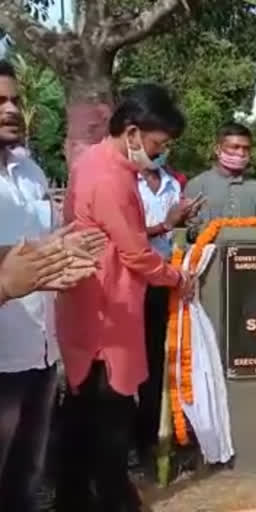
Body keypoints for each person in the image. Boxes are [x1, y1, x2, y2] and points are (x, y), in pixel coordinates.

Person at [55, 84, 196, 512]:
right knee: (110, 422)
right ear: (132, 132)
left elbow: (118, 236)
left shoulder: (97, 162)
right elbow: (134, 254)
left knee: (82, 421)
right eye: (157, 145)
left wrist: (156, 232)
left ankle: (74, 498)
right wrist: (176, 277)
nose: (158, 154)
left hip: (90, 307)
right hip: (106, 314)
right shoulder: (111, 176)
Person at [0, 60, 101, 512]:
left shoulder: (31, 174)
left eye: (15, 100)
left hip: (40, 351)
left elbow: (36, 251)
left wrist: (61, 253)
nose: (11, 110)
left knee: (25, 481)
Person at [136, 153, 203, 466]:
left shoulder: (173, 182)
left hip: (164, 278)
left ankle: (153, 437)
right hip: (130, 280)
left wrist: (184, 221)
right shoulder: (124, 182)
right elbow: (125, 235)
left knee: (160, 360)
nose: (161, 149)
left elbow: (174, 233)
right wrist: (166, 223)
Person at [185, 122, 256, 240]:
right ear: (217, 149)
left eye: (246, 148)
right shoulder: (197, 185)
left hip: (245, 256)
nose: (241, 153)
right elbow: (188, 233)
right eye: (235, 147)